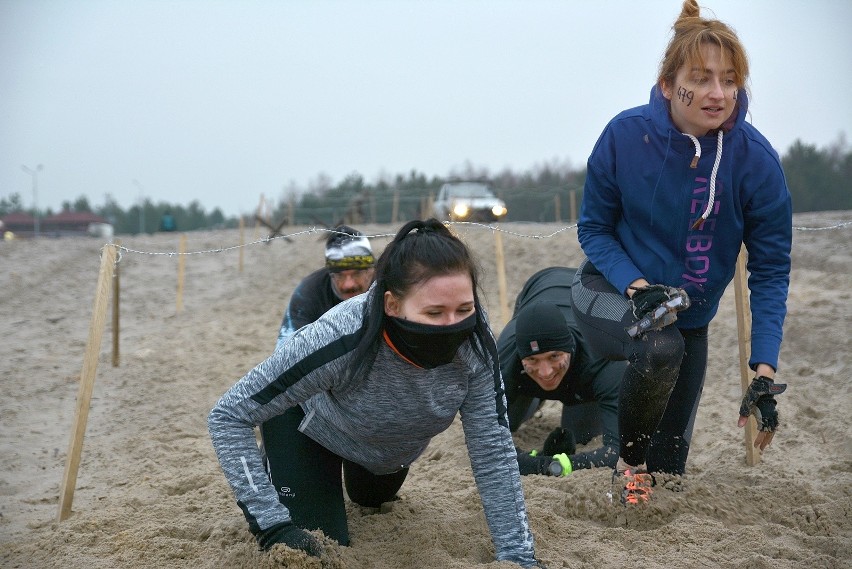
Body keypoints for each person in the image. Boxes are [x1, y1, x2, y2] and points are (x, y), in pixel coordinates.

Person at [208, 219, 542, 567]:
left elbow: (492, 448)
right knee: (316, 549)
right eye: (433, 312)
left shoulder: (475, 342)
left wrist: (518, 555)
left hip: (388, 447)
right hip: (312, 426)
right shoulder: (341, 334)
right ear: (392, 305)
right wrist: (271, 526)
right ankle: (282, 466)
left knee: (371, 498)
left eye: (464, 309)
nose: (451, 326)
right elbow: (229, 413)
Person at [571, 0, 792, 505]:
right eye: (703, 78)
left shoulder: (755, 162)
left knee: (670, 472)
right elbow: (595, 229)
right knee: (659, 344)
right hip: (609, 291)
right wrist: (640, 288)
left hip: (688, 321)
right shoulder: (624, 136)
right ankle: (625, 464)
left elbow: (772, 271)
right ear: (669, 84)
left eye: (730, 80)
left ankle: (637, 471)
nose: (719, 94)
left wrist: (765, 371)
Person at [496, 267, 625, 477]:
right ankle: (534, 396)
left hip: (580, 296)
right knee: (509, 421)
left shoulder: (604, 359)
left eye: (554, 357)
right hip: (538, 285)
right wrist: (542, 465)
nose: (545, 371)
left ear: (570, 348)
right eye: (532, 360)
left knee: (581, 437)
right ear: (521, 357)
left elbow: (616, 452)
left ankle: (540, 387)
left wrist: (553, 464)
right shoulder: (504, 360)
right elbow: (486, 445)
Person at [275, 225, 375, 350]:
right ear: (330, 274)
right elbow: (285, 351)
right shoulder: (308, 292)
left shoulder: (390, 285)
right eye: (339, 276)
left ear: (371, 270)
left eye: (357, 274)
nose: (348, 284)